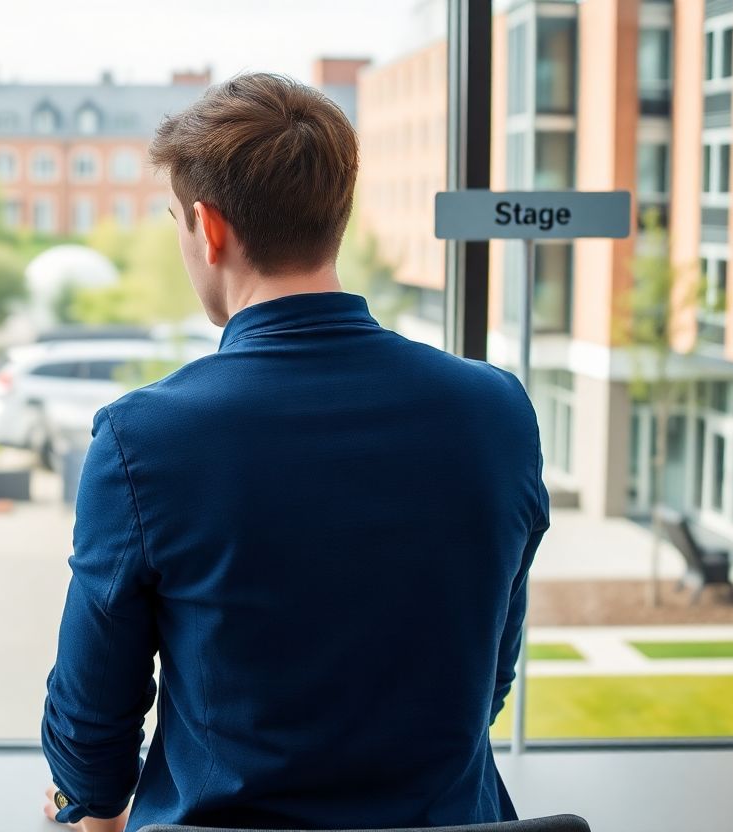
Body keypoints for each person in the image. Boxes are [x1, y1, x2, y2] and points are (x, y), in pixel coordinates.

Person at [40, 73, 548, 832]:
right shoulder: (497, 410)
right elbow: (489, 676)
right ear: (336, 214)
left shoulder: (144, 439)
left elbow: (91, 716)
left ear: (209, 230)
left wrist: (95, 812)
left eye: (179, 220)